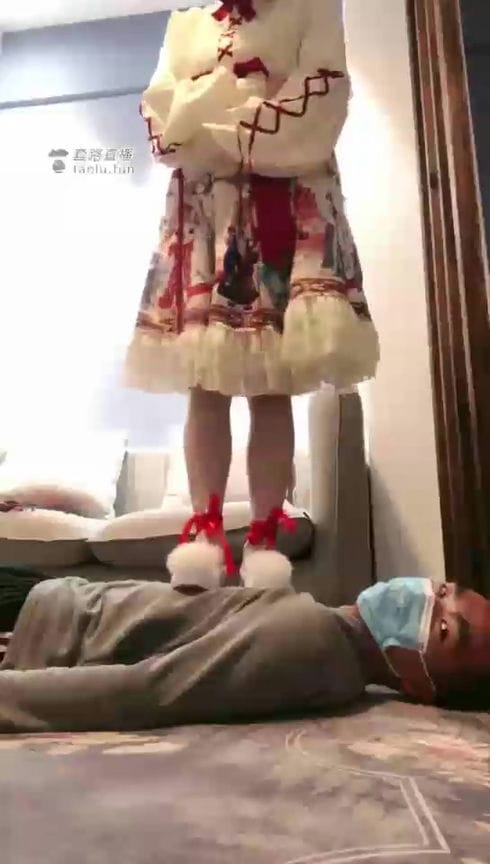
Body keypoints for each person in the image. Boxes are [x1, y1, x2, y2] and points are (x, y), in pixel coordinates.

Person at [124, 0, 380, 591]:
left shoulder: (311, 10)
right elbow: (163, 132)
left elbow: (320, 104)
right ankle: (205, 534)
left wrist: (205, 106)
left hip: (280, 210)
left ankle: (264, 538)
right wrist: (245, 98)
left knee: (272, 383)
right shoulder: (186, 24)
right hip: (206, 218)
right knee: (204, 383)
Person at [0, 567, 488, 733]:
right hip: (60, 605)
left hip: (43, 624)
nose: (428, 600)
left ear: (419, 686)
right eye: (444, 589)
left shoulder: (314, 643)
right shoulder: (330, 635)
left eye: (444, 629)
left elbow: (144, 691)